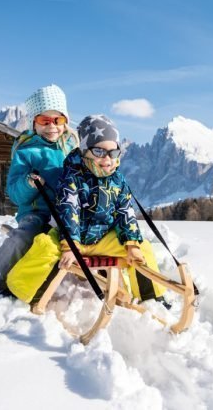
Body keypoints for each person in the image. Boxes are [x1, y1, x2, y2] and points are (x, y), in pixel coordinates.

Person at [54, 114, 166, 302]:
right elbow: (68, 210)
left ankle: (151, 298)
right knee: (43, 248)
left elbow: (125, 212)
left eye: (113, 153)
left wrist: (131, 243)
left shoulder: (117, 180)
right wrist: (70, 246)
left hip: (102, 239)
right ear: (84, 150)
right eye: (99, 152)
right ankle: (27, 293)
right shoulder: (72, 176)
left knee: (142, 248)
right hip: (72, 240)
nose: (107, 158)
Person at [0, 84, 78, 292]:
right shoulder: (26, 151)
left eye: (57, 120)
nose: (51, 126)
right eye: (44, 120)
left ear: (65, 121)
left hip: (68, 214)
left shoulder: (73, 150)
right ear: (34, 123)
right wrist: (29, 183)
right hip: (38, 212)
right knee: (25, 236)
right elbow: (15, 194)